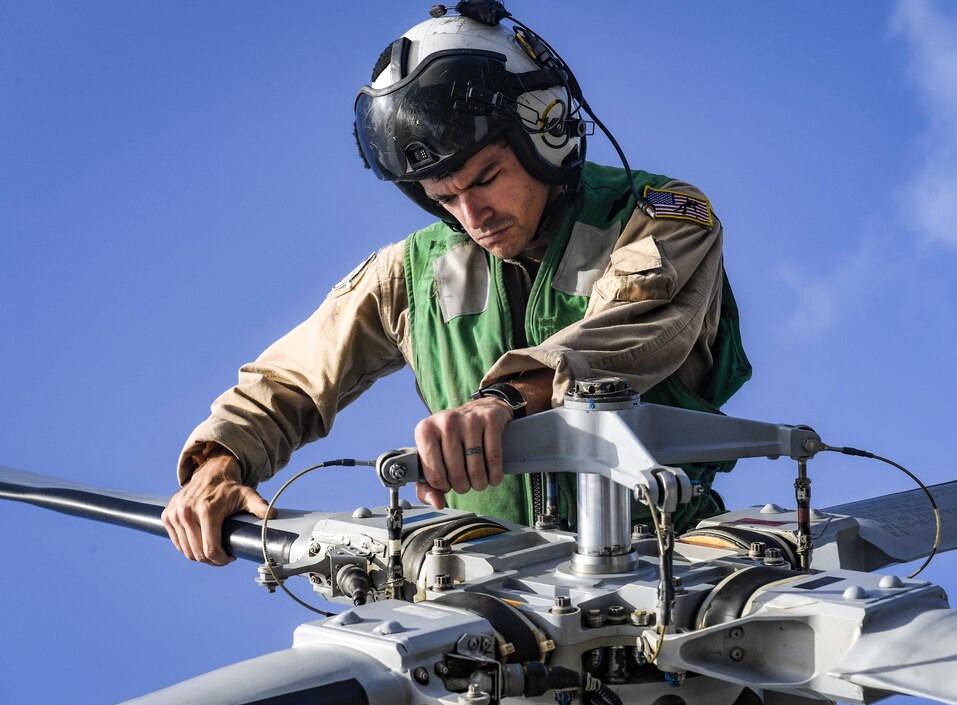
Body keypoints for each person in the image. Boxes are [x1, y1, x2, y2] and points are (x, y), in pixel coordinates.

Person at [162, 2, 751, 566]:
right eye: (444, 199)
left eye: (486, 178)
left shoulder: (660, 217)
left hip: (669, 572)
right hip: (487, 595)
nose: (473, 217)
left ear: (547, 132)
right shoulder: (411, 273)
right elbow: (289, 379)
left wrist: (504, 400)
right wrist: (220, 461)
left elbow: (635, 329)